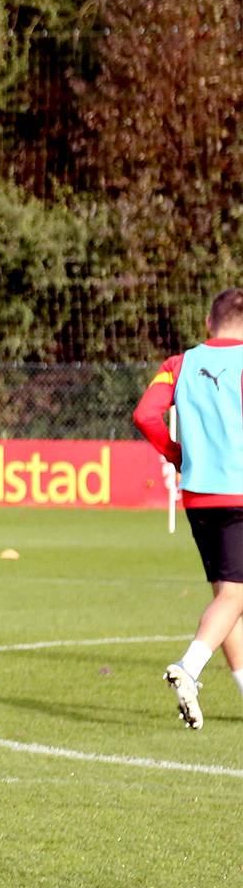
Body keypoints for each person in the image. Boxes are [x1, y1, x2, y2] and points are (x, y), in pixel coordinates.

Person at [136, 287, 243, 729]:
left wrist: (176, 453)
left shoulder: (177, 365)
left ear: (207, 323)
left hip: (198, 495)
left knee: (228, 597)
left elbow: (146, 414)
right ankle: (190, 668)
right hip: (239, 494)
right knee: (237, 595)